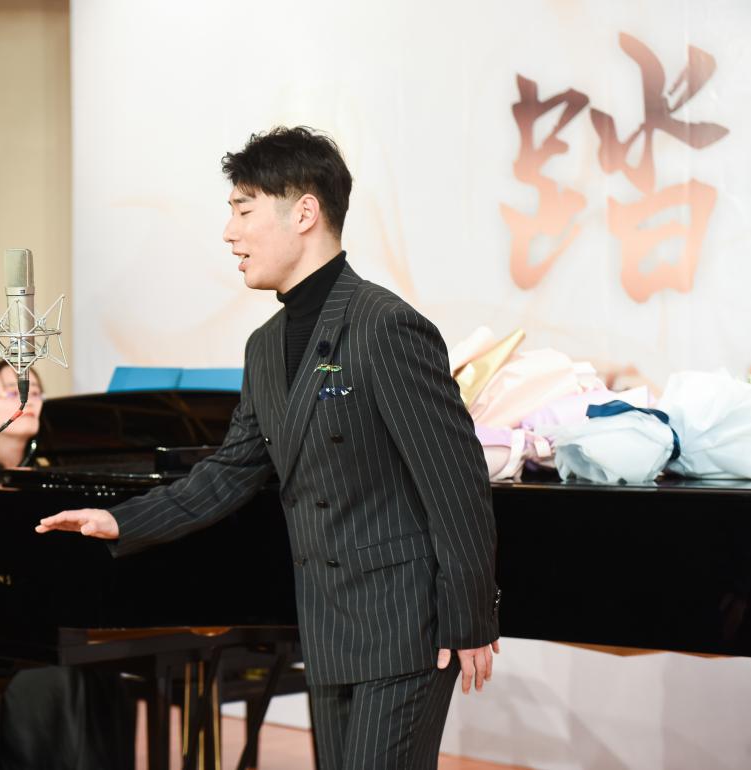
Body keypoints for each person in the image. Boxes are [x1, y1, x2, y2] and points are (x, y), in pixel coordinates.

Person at [37, 126, 500, 769]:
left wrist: (470, 616)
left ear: (304, 212)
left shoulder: (385, 325)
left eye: (243, 210)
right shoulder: (263, 346)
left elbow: (457, 481)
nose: (229, 233)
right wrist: (122, 519)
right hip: (329, 630)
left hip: (405, 629)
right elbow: (230, 470)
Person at [0, 361, 135, 770]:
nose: (28, 400)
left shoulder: (55, 474)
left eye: (36, 392)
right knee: (51, 675)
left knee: (102, 671)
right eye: (13, 391)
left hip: (44, 614)